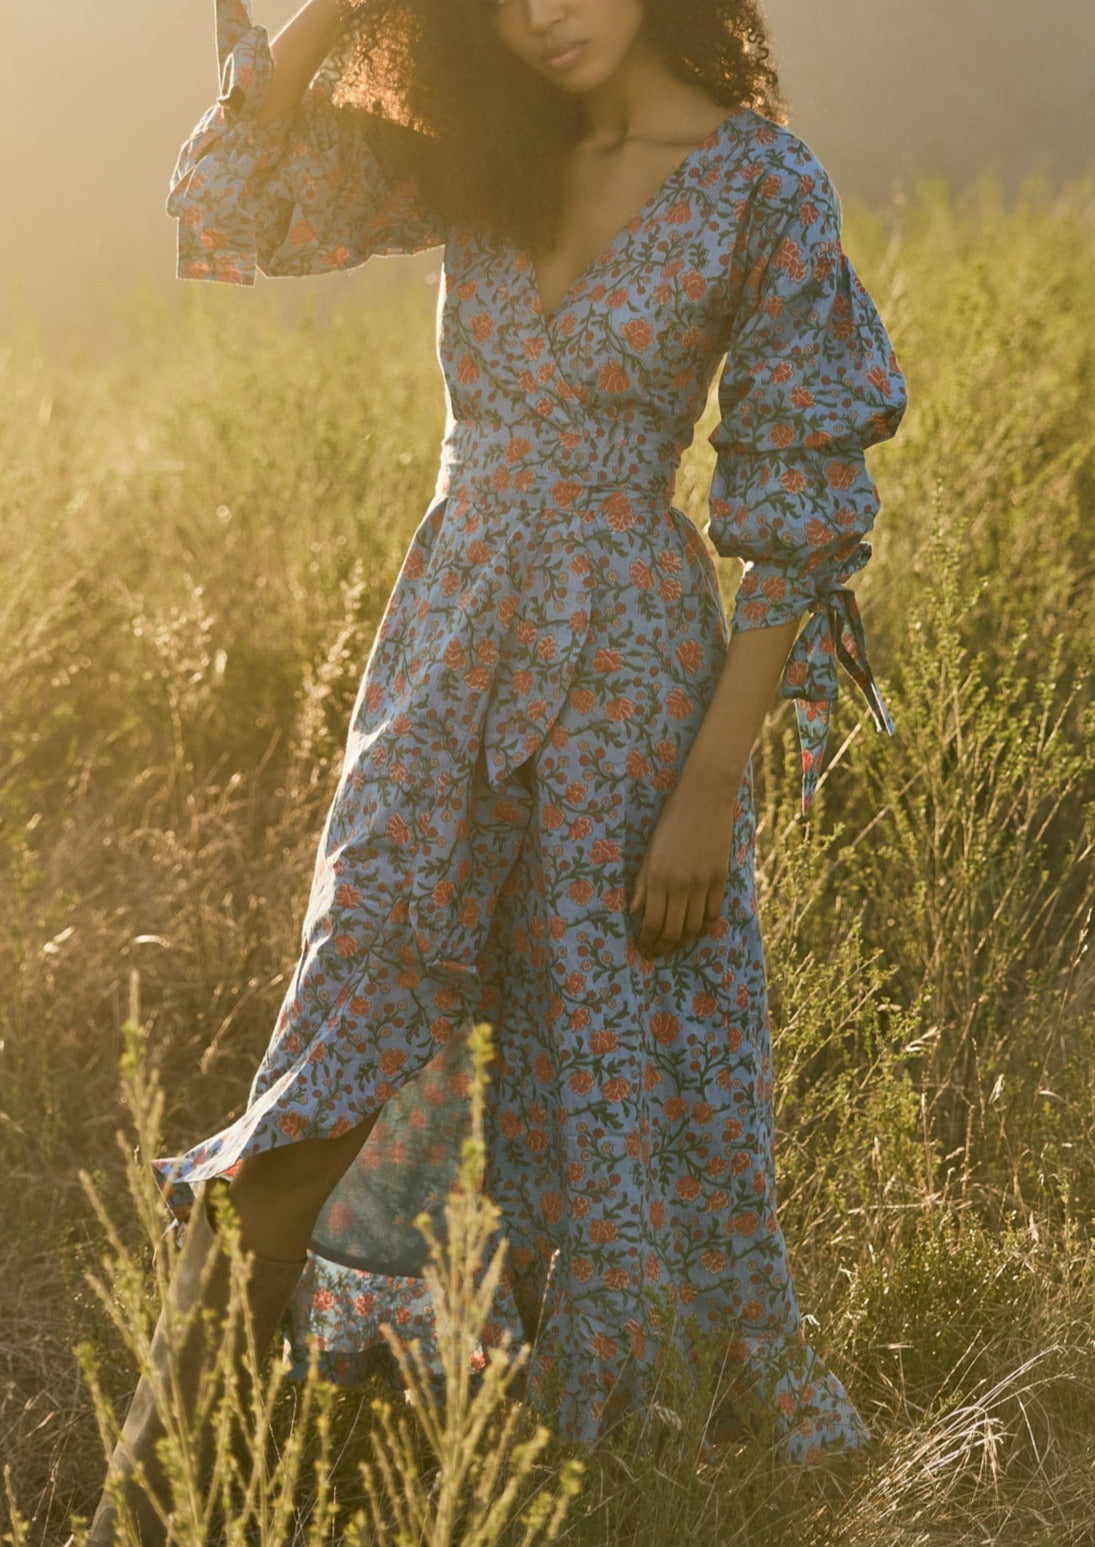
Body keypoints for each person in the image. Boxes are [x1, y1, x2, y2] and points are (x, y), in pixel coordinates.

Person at [81, 0, 906, 1538]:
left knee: (595, 1033)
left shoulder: (760, 186)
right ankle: (155, 1489)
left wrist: (709, 796)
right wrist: (339, 10)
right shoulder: (479, 154)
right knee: (355, 999)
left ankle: (574, 1446)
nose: (547, 12)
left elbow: (801, 514)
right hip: (451, 640)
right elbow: (233, 204)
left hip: (635, 674)